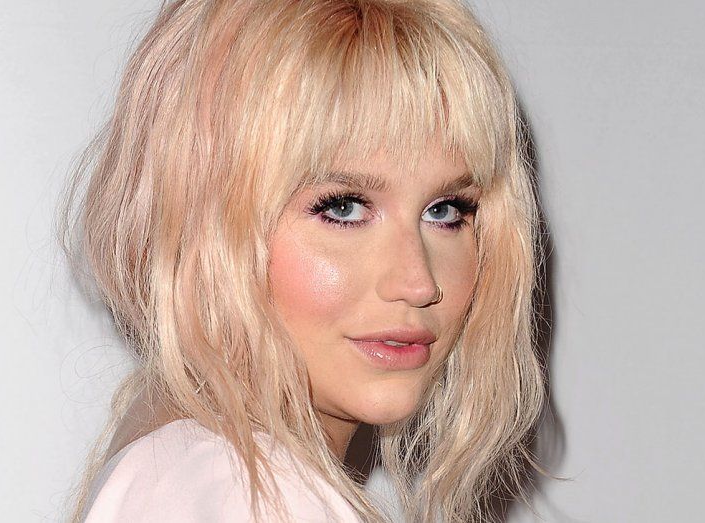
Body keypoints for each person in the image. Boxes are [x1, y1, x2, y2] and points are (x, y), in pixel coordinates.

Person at [62, 0, 545, 521]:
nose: (418, 282)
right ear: (201, 220)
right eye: (343, 208)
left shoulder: (182, 470)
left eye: (445, 210)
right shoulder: (251, 492)